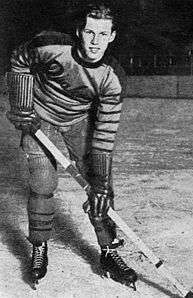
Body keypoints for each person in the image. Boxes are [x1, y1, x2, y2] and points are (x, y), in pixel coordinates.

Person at [6, 0, 137, 290]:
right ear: (80, 30)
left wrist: (101, 183)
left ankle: (108, 251)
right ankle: (39, 247)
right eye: (90, 32)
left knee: (101, 187)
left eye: (103, 35)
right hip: (39, 119)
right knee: (43, 182)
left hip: (78, 121)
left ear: (112, 36)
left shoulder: (112, 79)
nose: (95, 41)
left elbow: (104, 135)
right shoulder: (50, 46)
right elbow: (19, 60)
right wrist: (21, 103)